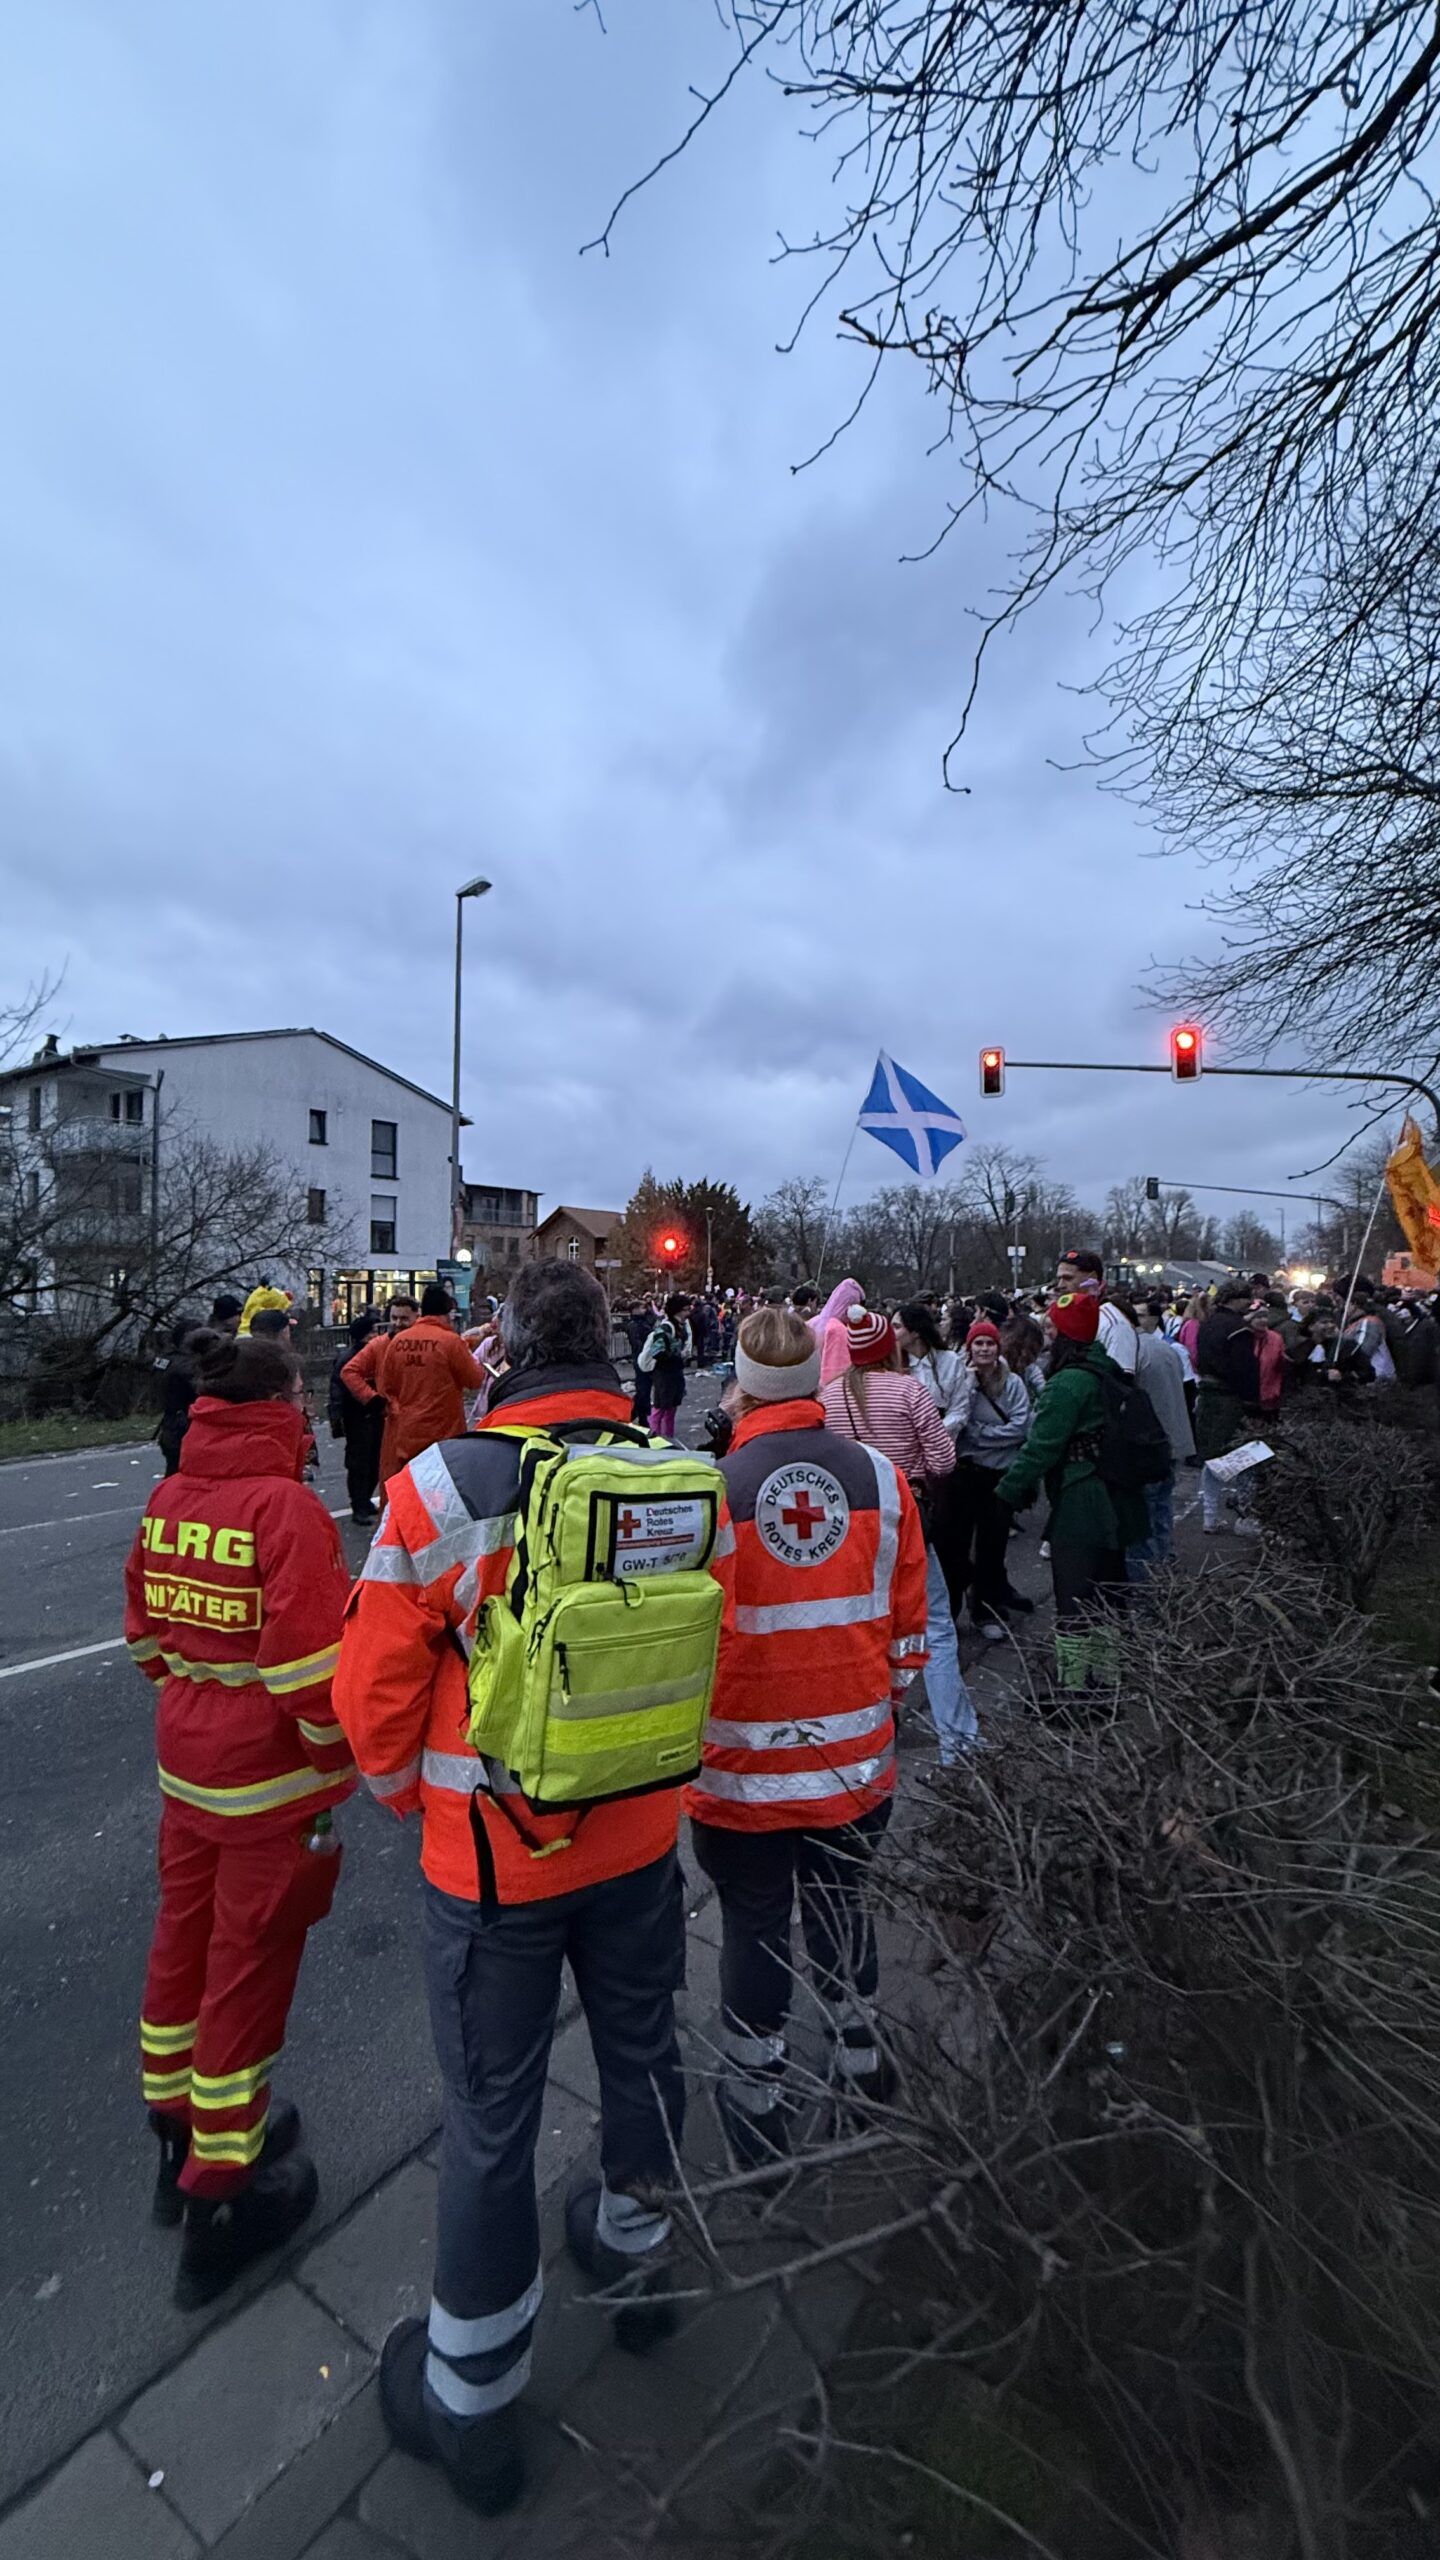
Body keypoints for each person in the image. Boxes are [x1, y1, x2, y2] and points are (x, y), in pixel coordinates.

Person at [331, 1261, 735, 2517]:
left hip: (494, 1865)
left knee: (492, 2119)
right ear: (609, 1345)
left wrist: (415, 1801)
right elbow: (707, 1646)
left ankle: (471, 2397)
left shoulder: (441, 1487)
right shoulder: (681, 1475)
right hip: (640, 1846)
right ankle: (638, 2264)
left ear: (502, 1347)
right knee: (645, 2058)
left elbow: (370, 1697)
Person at [123, 1330, 354, 2308]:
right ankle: (221, 2199)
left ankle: (175, 2135)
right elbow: (310, 1675)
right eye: (300, 1397)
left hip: (188, 1772)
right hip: (267, 1784)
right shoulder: (285, 1508)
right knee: (248, 1974)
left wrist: (199, 1698)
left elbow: (144, 1640)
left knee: (182, 1948)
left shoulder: (171, 1495)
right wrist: (335, 1763)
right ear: (278, 1405)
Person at [687, 1307, 928, 2167]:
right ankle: (861, 2063)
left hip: (740, 1770)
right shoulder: (882, 1481)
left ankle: (757, 2099)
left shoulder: (710, 1491)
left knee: (753, 1926)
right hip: (854, 1762)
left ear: (743, 1387)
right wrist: (876, 1705)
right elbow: (909, 1630)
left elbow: (689, 1641)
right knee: (841, 1907)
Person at [821, 1307, 977, 1763]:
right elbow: (944, 1460)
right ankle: (958, 1741)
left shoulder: (829, 1396)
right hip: (905, 1518)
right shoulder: (909, 1390)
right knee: (936, 1628)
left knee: (867, 1628)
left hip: (853, 1525)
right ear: (889, 1349)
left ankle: (867, 1740)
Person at [995, 1292, 1148, 1693]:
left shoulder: (1068, 1384)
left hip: (1083, 1501)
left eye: (1052, 1328)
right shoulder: (1106, 1369)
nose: (1047, 1334)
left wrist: (1005, 1492)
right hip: (1116, 1496)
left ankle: (1075, 1689)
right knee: (1108, 1595)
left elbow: (1041, 1447)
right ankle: (1109, 1681)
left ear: (1065, 1336)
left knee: (1074, 1597)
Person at [340, 1283, 485, 1489]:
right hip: (443, 1433)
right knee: (439, 1492)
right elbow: (475, 1380)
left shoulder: (397, 1342)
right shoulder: (451, 1342)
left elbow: (387, 1384)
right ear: (447, 1313)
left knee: (407, 1488)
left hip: (405, 1431)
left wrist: (381, 1402)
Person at [949, 1320, 1032, 1638]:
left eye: (989, 1343)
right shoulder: (960, 1379)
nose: (984, 1349)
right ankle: (950, 1612)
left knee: (992, 1546)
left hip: (998, 1474)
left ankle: (985, 1611)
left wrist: (981, 1436)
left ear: (998, 1348)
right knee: (956, 1546)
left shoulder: (1012, 1383)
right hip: (965, 1472)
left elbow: (1019, 1427)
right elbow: (958, 1422)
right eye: (978, 1343)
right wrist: (969, 1387)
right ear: (969, 1347)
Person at [1128, 1302, 1195, 1576]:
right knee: (1162, 1508)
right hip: (1171, 1441)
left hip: (1150, 1445)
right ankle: (1165, 1563)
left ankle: (1148, 1577)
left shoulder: (1133, 1351)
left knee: (1145, 1514)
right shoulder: (1166, 1349)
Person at [1194, 1282, 1262, 1534]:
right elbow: (1245, 1368)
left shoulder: (1208, 1323)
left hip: (1208, 1394)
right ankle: (1245, 1515)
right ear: (1235, 1299)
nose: (1251, 1304)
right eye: (1247, 1298)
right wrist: (1252, 1401)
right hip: (1230, 1397)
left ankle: (1210, 1516)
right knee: (1248, 1455)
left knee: (1212, 1457)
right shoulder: (1238, 1329)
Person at [329, 1309, 385, 1522]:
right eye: (373, 1331)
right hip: (357, 1416)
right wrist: (337, 1417)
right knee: (360, 1462)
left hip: (375, 1413)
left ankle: (365, 1500)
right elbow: (337, 1389)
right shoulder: (350, 1358)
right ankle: (358, 1505)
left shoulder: (375, 1353)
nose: (376, 1335)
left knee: (375, 1460)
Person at [1057, 1248, 1138, 1375]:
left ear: (1092, 1278)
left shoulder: (1114, 1324)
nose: (1060, 1285)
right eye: (1059, 1278)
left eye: (1068, 1278)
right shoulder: (1065, 1318)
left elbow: (1121, 1379)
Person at [155, 1316, 203, 1476]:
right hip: (183, 1426)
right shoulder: (186, 1366)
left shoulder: (165, 1360)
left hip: (171, 1425)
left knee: (174, 1473)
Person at [638, 1292, 691, 1440]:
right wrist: (677, 1357)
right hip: (664, 1373)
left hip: (673, 1372)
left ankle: (668, 1438)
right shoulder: (666, 1328)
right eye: (685, 1309)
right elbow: (657, 1351)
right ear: (677, 1310)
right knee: (660, 1407)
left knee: (671, 1408)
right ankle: (654, 1439)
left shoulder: (680, 1326)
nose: (688, 1313)